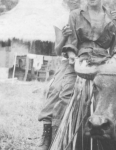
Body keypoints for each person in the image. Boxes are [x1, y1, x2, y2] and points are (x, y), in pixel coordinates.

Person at [37, 1, 81, 150]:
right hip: (67, 62)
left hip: (87, 59)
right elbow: (57, 50)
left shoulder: (90, 16)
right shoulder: (61, 20)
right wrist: (63, 37)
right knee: (56, 89)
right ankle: (48, 134)